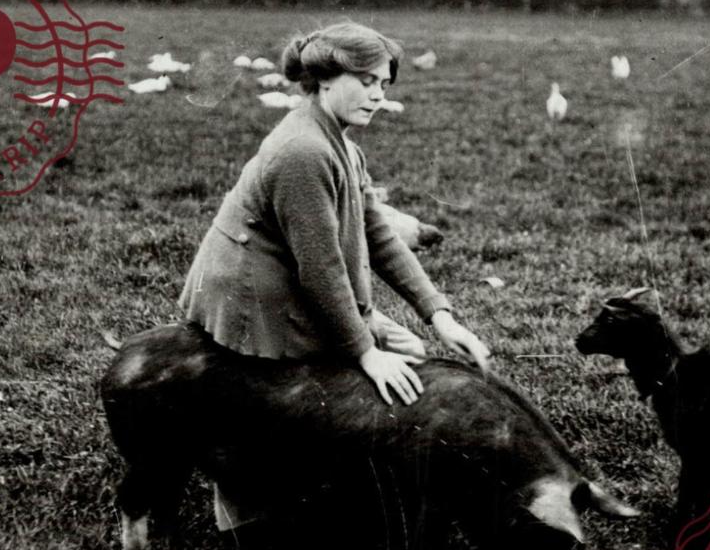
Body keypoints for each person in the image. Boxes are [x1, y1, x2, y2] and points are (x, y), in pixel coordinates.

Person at [178, 22, 490, 410]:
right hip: (259, 301)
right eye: (365, 81)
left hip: (293, 281)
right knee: (382, 371)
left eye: (384, 84)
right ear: (325, 79)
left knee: (411, 348)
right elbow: (321, 268)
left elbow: (378, 235)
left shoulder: (340, 144)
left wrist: (439, 315)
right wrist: (366, 352)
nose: (377, 95)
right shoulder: (303, 152)